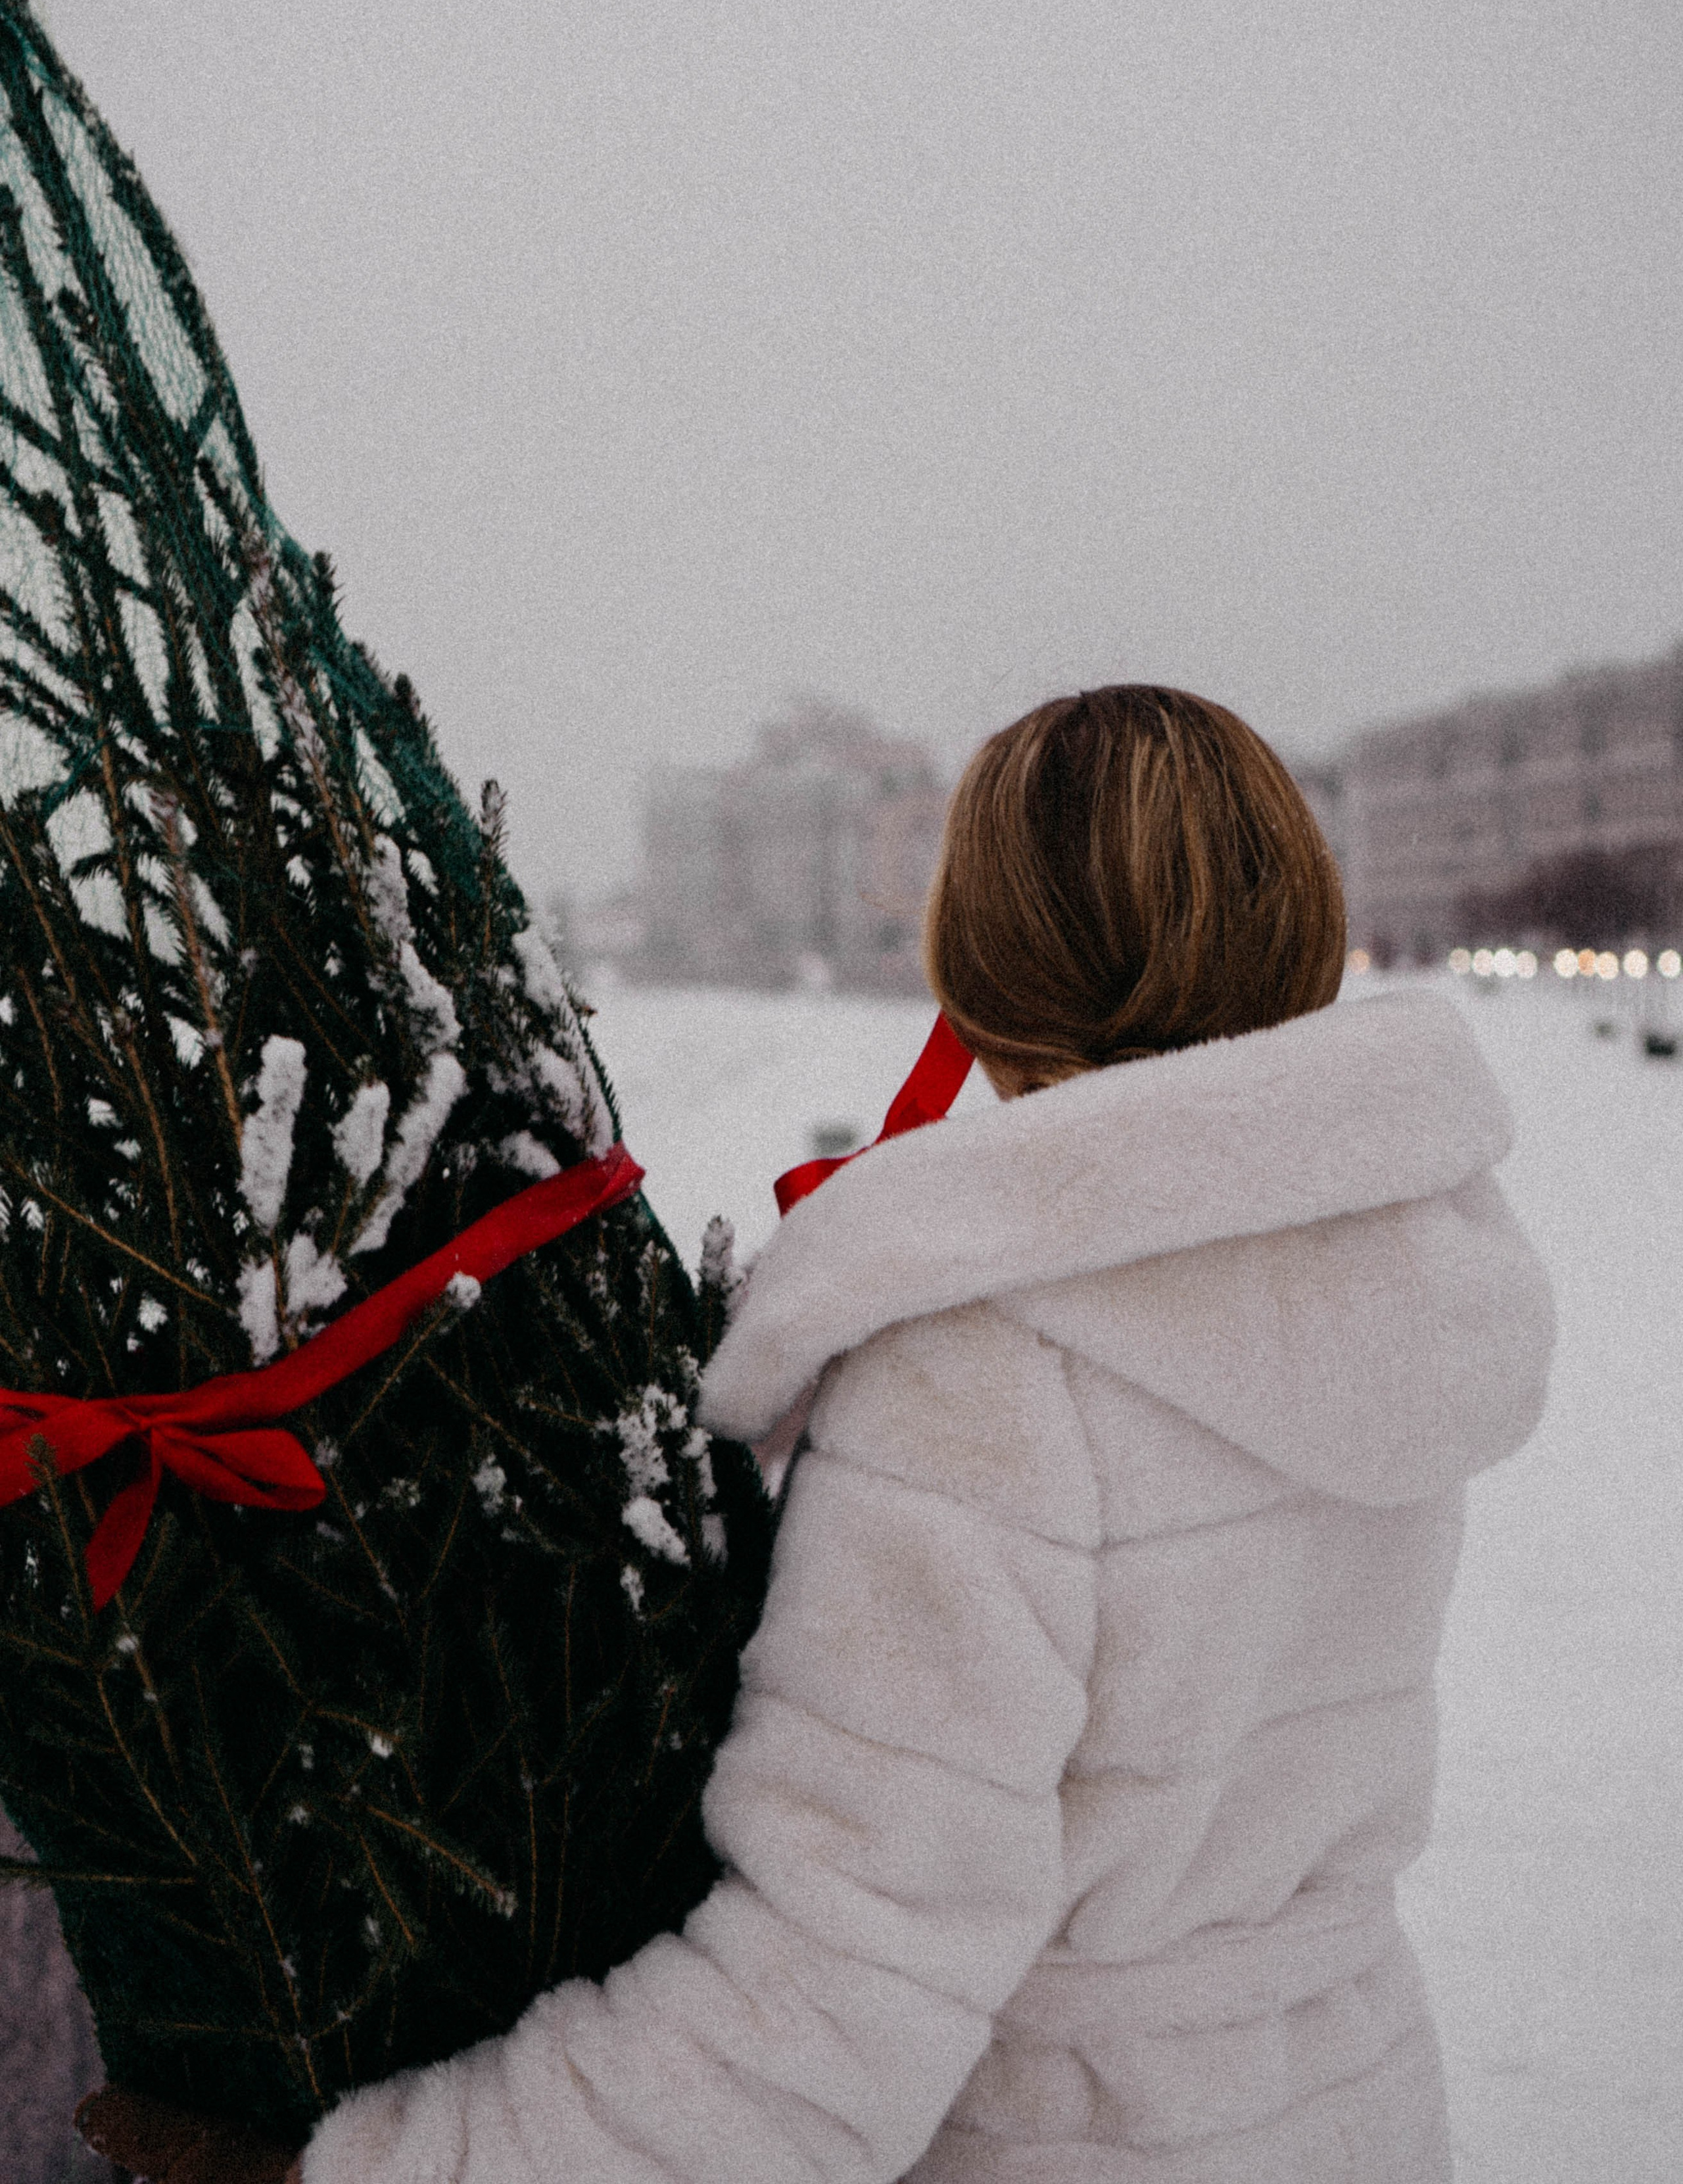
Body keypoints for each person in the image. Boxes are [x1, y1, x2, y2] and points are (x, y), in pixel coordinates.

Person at [286, 684, 1552, 2183]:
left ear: (983, 953)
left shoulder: (991, 1368)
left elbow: (827, 2003)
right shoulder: (1383, 1283)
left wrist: (373, 2169)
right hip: (1348, 2112)